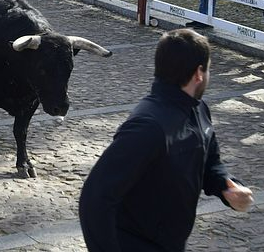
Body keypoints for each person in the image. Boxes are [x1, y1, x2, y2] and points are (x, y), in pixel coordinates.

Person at [79, 29, 253, 251]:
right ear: (199, 73)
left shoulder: (199, 109)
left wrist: (225, 186)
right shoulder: (147, 127)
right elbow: (96, 197)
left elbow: (210, 161)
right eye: (209, 69)